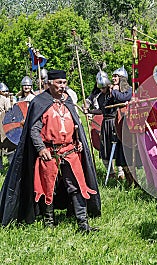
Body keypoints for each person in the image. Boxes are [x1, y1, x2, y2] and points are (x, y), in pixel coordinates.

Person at [0, 70, 101, 232]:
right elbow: (34, 129)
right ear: (49, 84)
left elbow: (76, 125)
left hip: (70, 151)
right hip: (49, 152)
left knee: (77, 185)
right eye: (59, 83)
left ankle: (83, 224)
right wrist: (40, 148)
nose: (63, 86)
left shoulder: (68, 101)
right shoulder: (41, 102)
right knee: (48, 187)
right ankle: (49, 222)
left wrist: (79, 140)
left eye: (64, 83)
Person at [87, 69, 135, 188]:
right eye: (112, 76)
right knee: (106, 150)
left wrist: (114, 91)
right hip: (107, 124)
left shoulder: (126, 90)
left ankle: (130, 179)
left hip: (119, 122)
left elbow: (123, 98)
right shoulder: (108, 93)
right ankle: (115, 175)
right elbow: (103, 109)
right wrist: (89, 111)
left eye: (116, 76)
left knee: (122, 152)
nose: (113, 79)